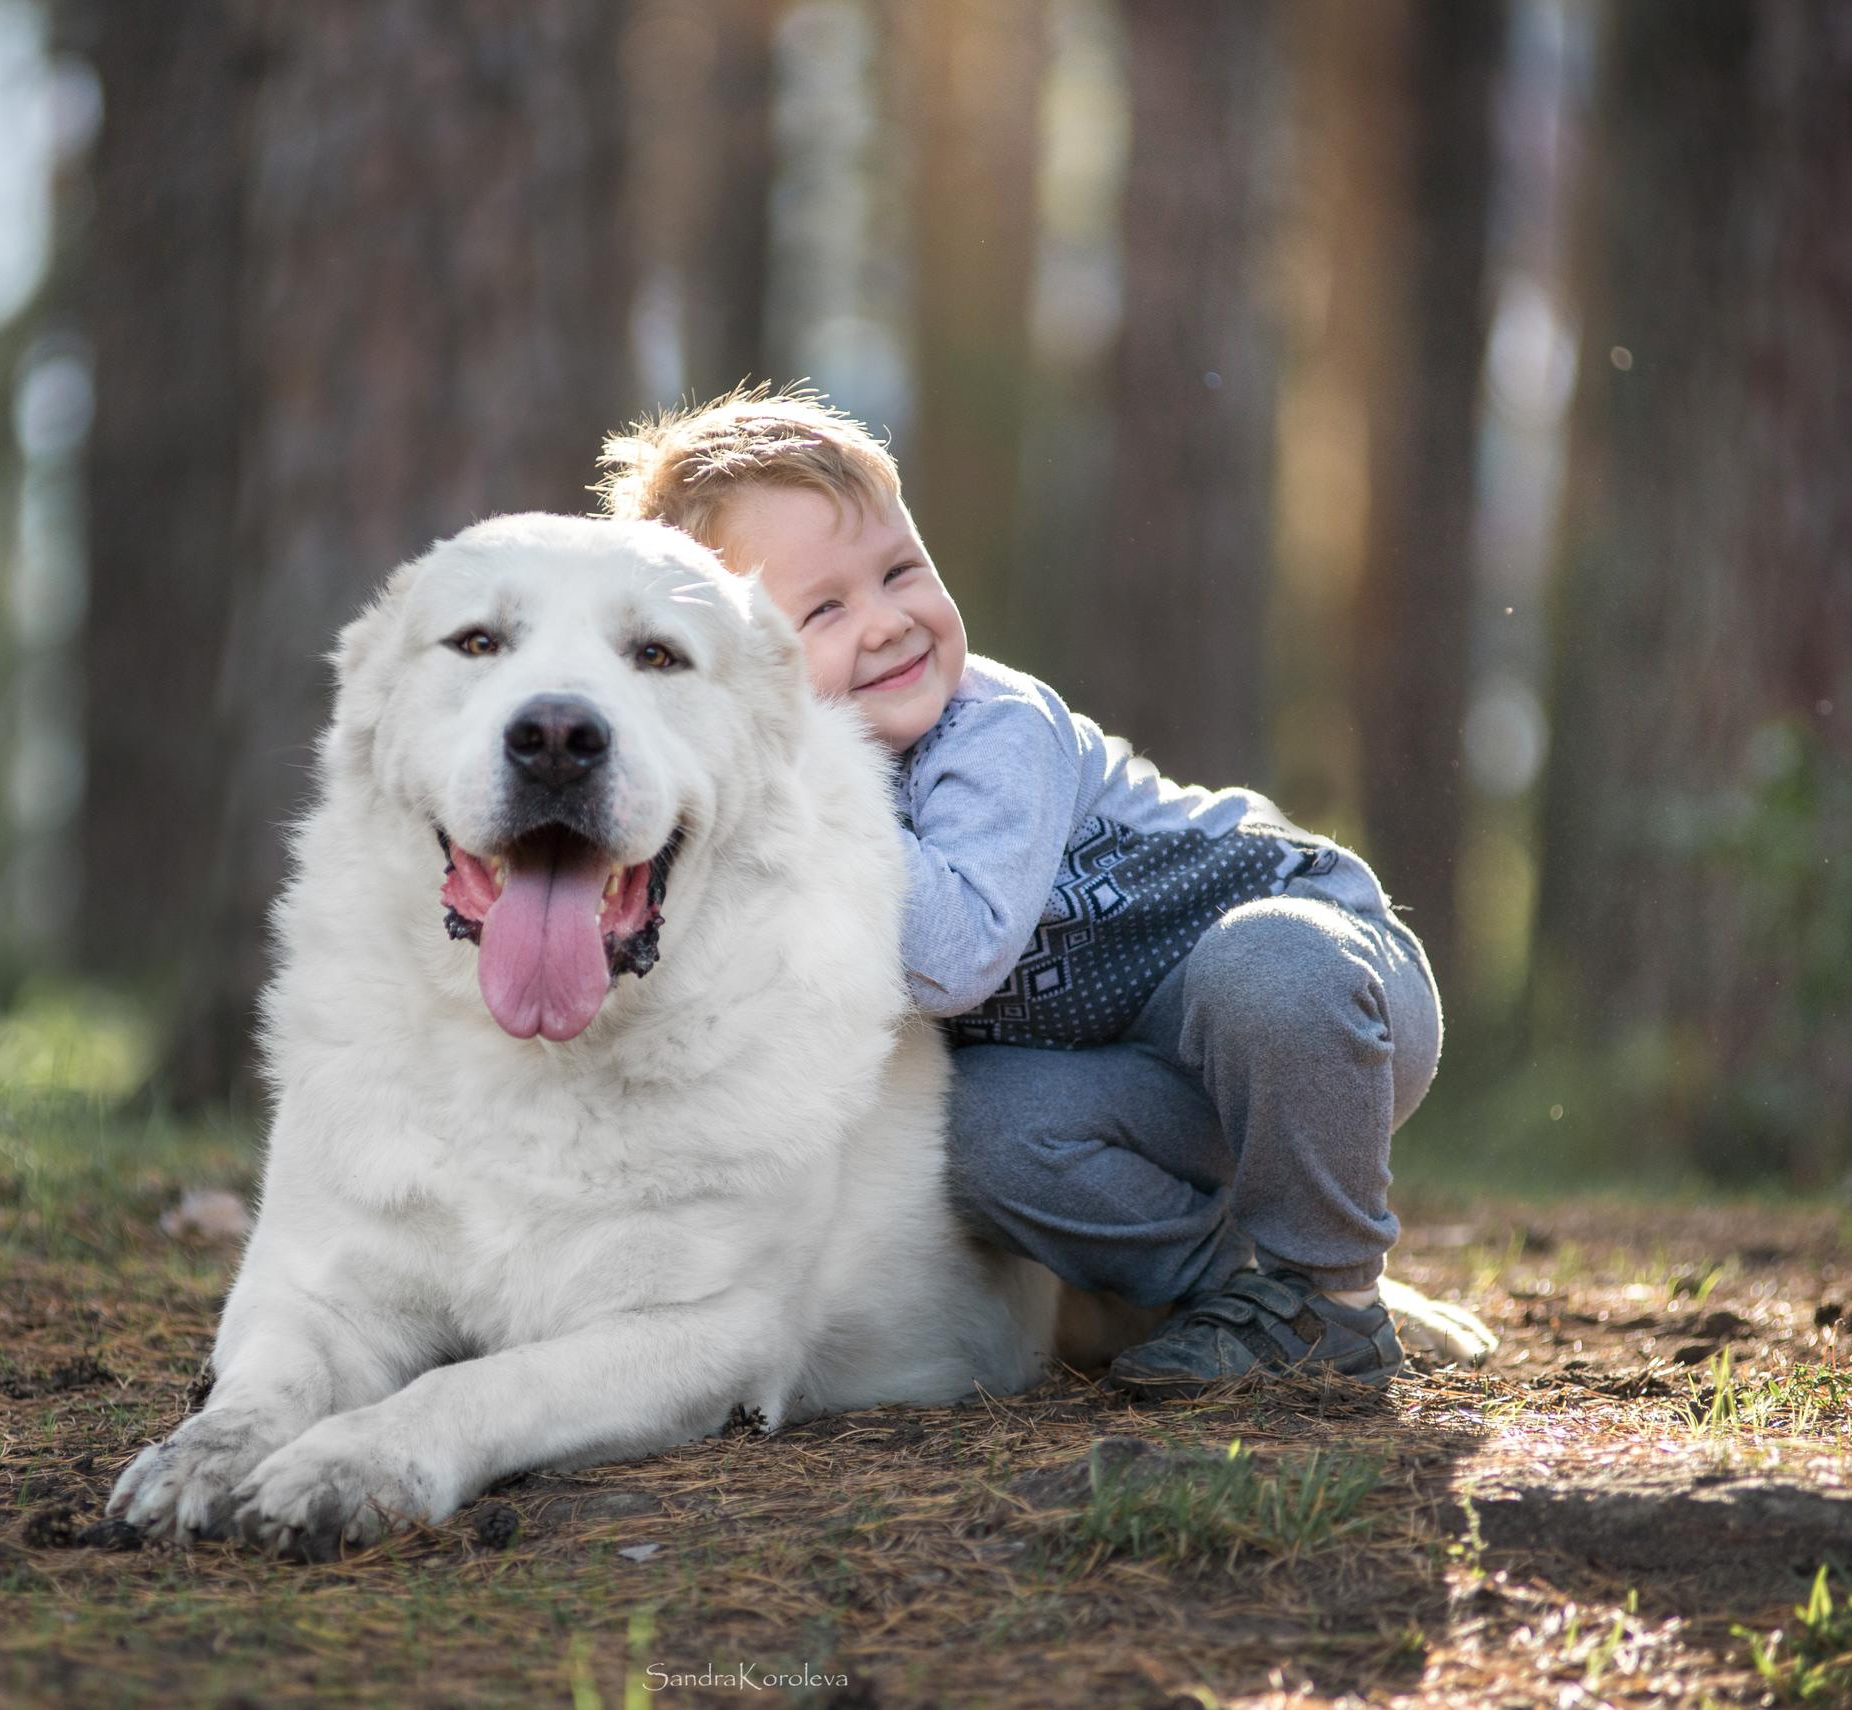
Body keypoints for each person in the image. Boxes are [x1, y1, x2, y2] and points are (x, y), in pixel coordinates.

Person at [595, 387, 1443, 1394]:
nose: (886, 623)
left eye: (901, 572)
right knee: (974, 1133)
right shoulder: (766, 812)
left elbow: (953, 956)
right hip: (1141, 1091)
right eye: (823, 608)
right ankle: (1243, 1296)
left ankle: (1331, 1292)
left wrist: (792, 786)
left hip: (1319, 999)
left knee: (1260, 966)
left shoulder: (994, 728)